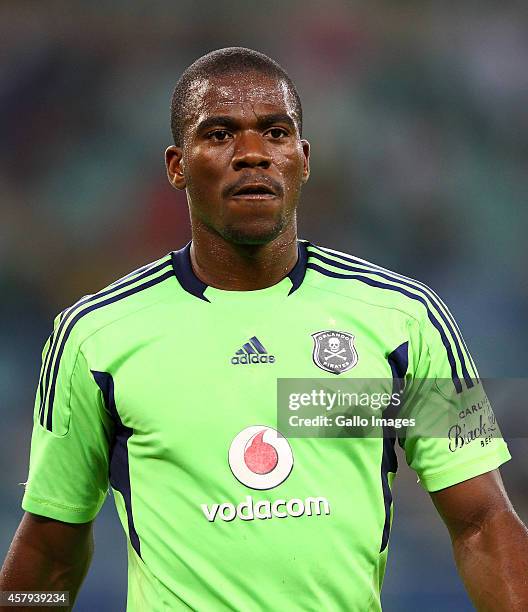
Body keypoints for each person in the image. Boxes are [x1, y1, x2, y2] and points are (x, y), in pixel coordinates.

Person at [1, 47, 527, 612]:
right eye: (221, 133)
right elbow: (50, 554)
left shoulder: (407, 319)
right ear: (177, 165)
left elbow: (482, 521)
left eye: (275, 133)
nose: (252, 153)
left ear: (303, 158)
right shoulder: (94, 335)